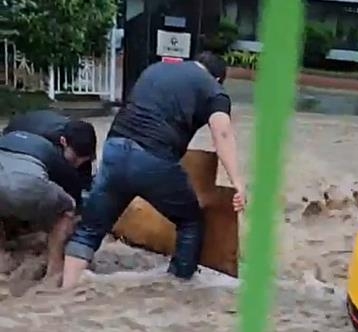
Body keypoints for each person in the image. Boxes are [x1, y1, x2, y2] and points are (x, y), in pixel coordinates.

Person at [62, 51, 246, 288]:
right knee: (190, 221)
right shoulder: (214, 90)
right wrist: (238, 183)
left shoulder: (156, 69)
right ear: (219, 78)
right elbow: (222, 133)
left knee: (89, 229)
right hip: (153, 158)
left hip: (114, 149)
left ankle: (67, 289)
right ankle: (178, 285)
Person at [0, 131, 83, 278]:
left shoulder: (7, 136)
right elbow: (71, 194)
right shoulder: (51, 153)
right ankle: (55, 269)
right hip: (25, 186)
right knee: (68, 208)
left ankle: (2, 258)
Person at [3, 110, 97, 191]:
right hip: (13, 138)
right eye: (74, 160)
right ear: (63, 141)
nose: (77, 165)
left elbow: (83, 172)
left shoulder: (80, 139)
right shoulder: (45, 145)